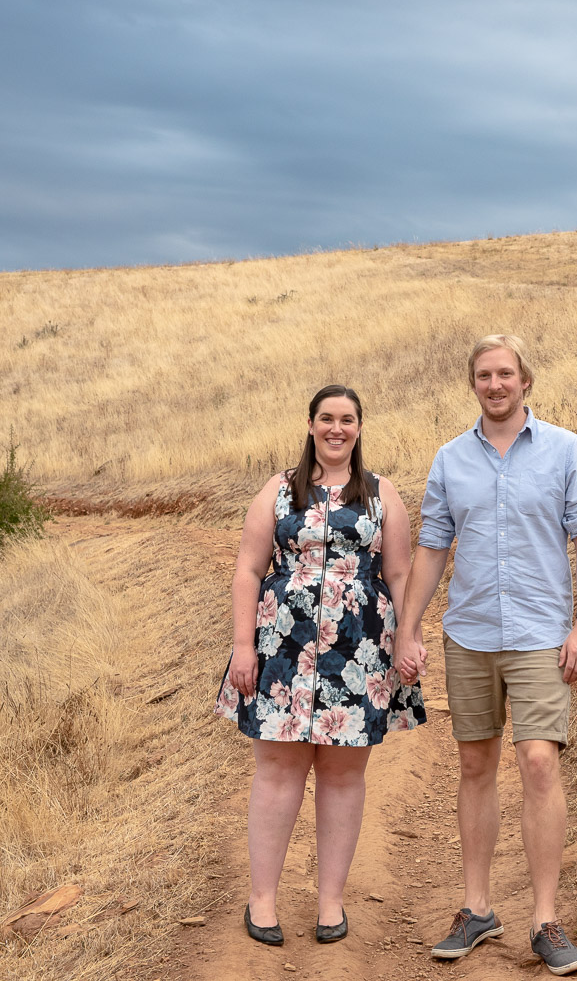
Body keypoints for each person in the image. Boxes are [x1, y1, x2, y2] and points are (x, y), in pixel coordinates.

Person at [394, 335, 577, 975]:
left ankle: (545, 920)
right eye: (484, 375)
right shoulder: (451, 458)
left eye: (505, 374)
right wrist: (409, 628)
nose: (495, 384)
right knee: (475, 764)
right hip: (472, 632)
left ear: (525, 382)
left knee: (540, 762)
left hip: (543, 633)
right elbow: (432, 548)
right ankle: (477, 909)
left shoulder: (566, 449)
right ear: (474, 385)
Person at [215, 384, 426, 947]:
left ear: (359, 427)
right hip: (280, 649)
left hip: (359, 650)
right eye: (327, 418)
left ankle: (330, 901)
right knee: (279, 772)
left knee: (342, 774)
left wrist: (410, 637)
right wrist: (241, 646)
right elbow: (246, 569)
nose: (337, 428)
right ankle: (262, 901)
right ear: (310, 424)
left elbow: (400, 574)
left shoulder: (383, 494)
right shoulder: (280, 490)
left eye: (348, 419)